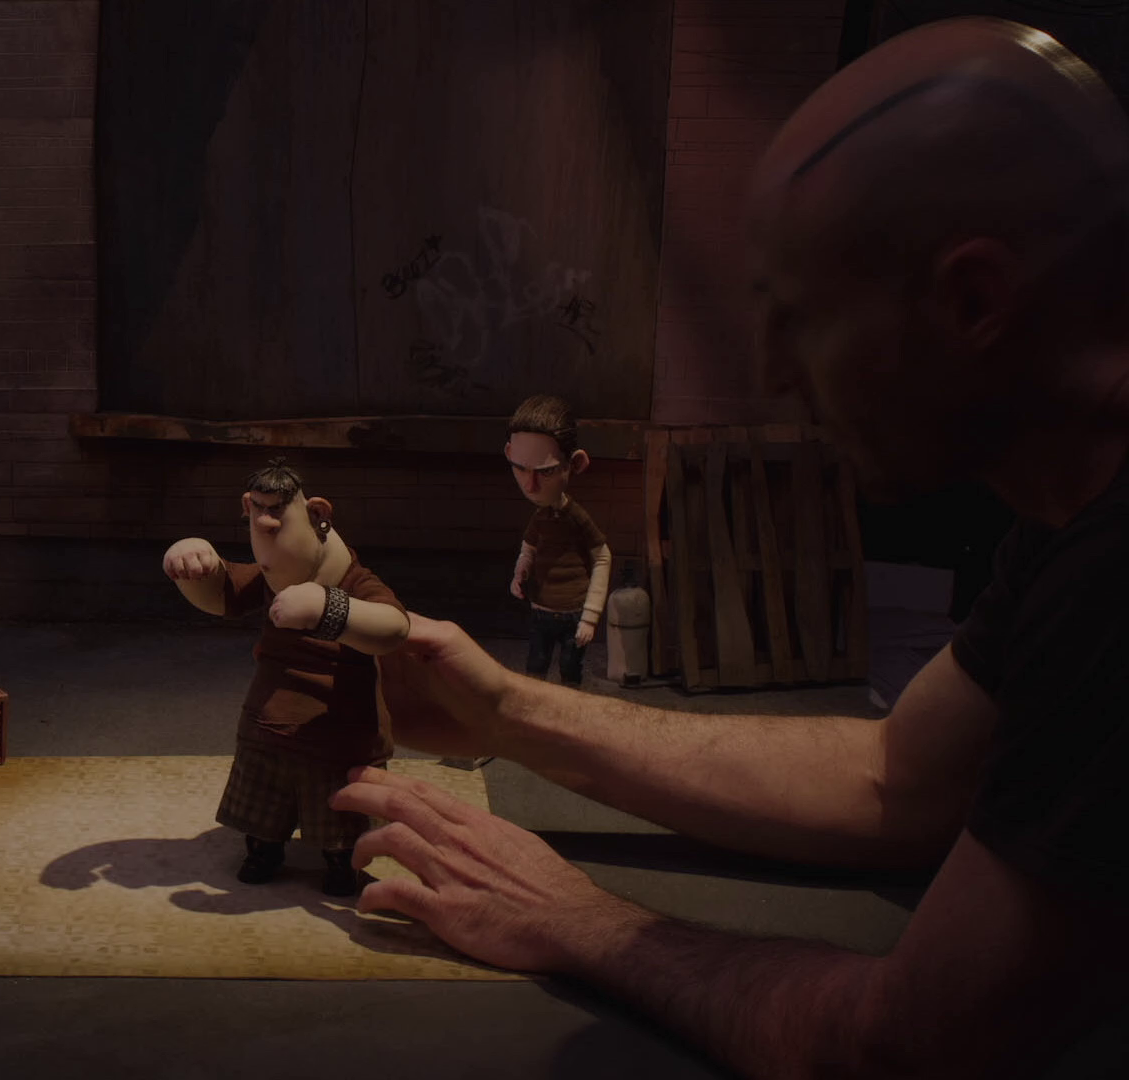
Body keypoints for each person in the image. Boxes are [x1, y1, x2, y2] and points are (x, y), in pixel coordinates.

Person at [337, 16, 1129, 1078]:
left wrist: (579, 920)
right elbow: (896, 780)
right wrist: (506, 711)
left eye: (802, 317)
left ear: (975, 299)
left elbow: (908, 1046)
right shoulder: (1067, 508)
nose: (773, 372)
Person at [162, 458, 410, 895]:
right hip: (267, 728)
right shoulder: (271, 579)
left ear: (318, 515)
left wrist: (330, 609)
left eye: (278, 523)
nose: (269, 564)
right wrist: (195, 561)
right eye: (256, 518)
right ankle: (264, 849)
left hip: (338, 733)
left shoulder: (355, 581)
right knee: (262, 810)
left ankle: (341, 861)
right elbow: (224, 593)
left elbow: (393, 627)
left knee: (341, 815)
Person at [506, 394, 612, 687]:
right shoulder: (539, 517)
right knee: (536, 666)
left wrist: (590, 616)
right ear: (509, 453)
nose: (530, 485)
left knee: (569, 671)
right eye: (520, 467)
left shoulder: (576, 517)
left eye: (546, 471)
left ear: (575, 463)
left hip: (573, 614)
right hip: (540, 610)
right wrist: (520, 572)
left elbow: (603, 557)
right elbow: (528, 549)